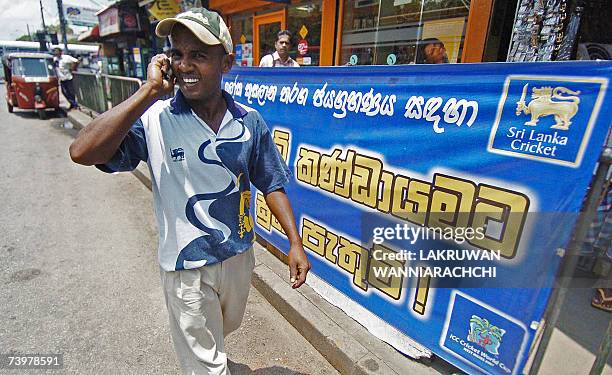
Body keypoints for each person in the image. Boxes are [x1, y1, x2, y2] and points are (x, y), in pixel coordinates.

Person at [69, 7, 311, 374]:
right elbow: (82, 151)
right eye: (177, 54)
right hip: (187, 267)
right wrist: (148, 92)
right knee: (206, 365)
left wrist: (294, 242)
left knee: (220, 334)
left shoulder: (248, 121)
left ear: (226, 63)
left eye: (198, 55)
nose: (184, 65)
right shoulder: (154, 119)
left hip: (238, 257)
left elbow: (271, 180)